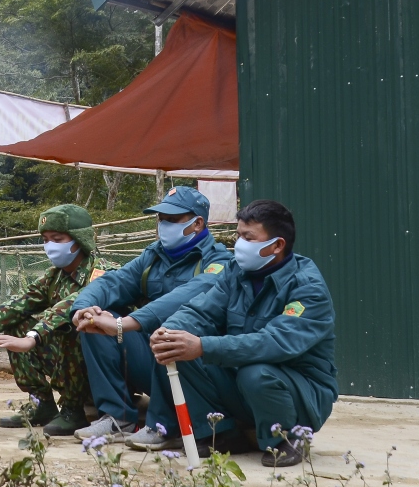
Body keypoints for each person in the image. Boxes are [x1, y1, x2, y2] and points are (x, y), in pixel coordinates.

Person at [130, 200, 337, 467]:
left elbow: (273, 342)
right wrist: (170, 330)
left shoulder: (307, 287)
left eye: (248, 237)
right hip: (243, 380)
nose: (239, 243)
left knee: (255, 373)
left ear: (277, 245)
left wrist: (203, 346)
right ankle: (223, 434)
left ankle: (286, 437)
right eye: (238, 234)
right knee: (179, 349)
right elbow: (203, 310)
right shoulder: (237, 273)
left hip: (301, 391)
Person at [70, 187, 232, 442]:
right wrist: (84, 307)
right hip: (152, 363)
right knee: (95, 323)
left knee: (171, 335)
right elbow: (114, 282)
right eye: (161, 219)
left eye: (172, 220)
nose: (163, 226)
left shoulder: (219, 262)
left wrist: (125, 324)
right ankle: (117, 417)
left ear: (197, 223)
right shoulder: (153, 256)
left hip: (196, 369)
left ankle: (164, 425)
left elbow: (185, 297)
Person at [0, 204, 98, 436]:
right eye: (45, 239)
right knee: (14, 323)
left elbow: (74, 304)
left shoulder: (102, 272)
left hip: (104, 368)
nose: (50, 246)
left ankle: (73, 410)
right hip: (69, 364)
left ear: (79, 239)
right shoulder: (55, 277)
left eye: (57, 238)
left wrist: (34, 336)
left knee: (72, 325)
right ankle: (41, 403)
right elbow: (17, 304)